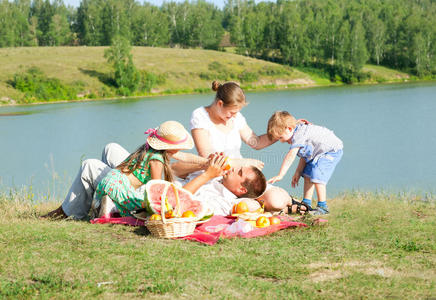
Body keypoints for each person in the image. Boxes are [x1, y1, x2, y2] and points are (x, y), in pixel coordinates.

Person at [171, 80, 305, 213]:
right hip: (214, 175)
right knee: (229, 205)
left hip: (240, 176)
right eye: (231, 112)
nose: (234, 116)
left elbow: (256, 142)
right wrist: (243, 162)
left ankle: (288, 204)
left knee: (275, 199)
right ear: (220, 104)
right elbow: (208, 156)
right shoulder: (200, 116)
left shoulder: (236, 118)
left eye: (236, 113)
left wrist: (286, 131)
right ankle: (258, 206)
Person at [92, 120, 194, 217]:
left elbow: (184, 156)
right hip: (120, 186)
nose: (181, 148)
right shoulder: (157, 160)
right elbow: (156, 187)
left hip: (111, 179)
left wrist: (205, 162)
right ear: (170, 148)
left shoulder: (148, 149)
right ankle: (113, 207)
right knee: (141, 206)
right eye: (180, 146)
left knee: (130, 198)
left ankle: (105, 203)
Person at [267, 111, 343, 215]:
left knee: (317, 173)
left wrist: (281, 175)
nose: (281, 141)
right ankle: (306, 205)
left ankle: (323, 207)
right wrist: (298, 172)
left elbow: (291, 155)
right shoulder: (297, 134)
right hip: (317, 153)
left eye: (280, 137)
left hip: (331, 150)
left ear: (289, 129)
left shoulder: (299, 134)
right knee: (307, 174)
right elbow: (305, 156)